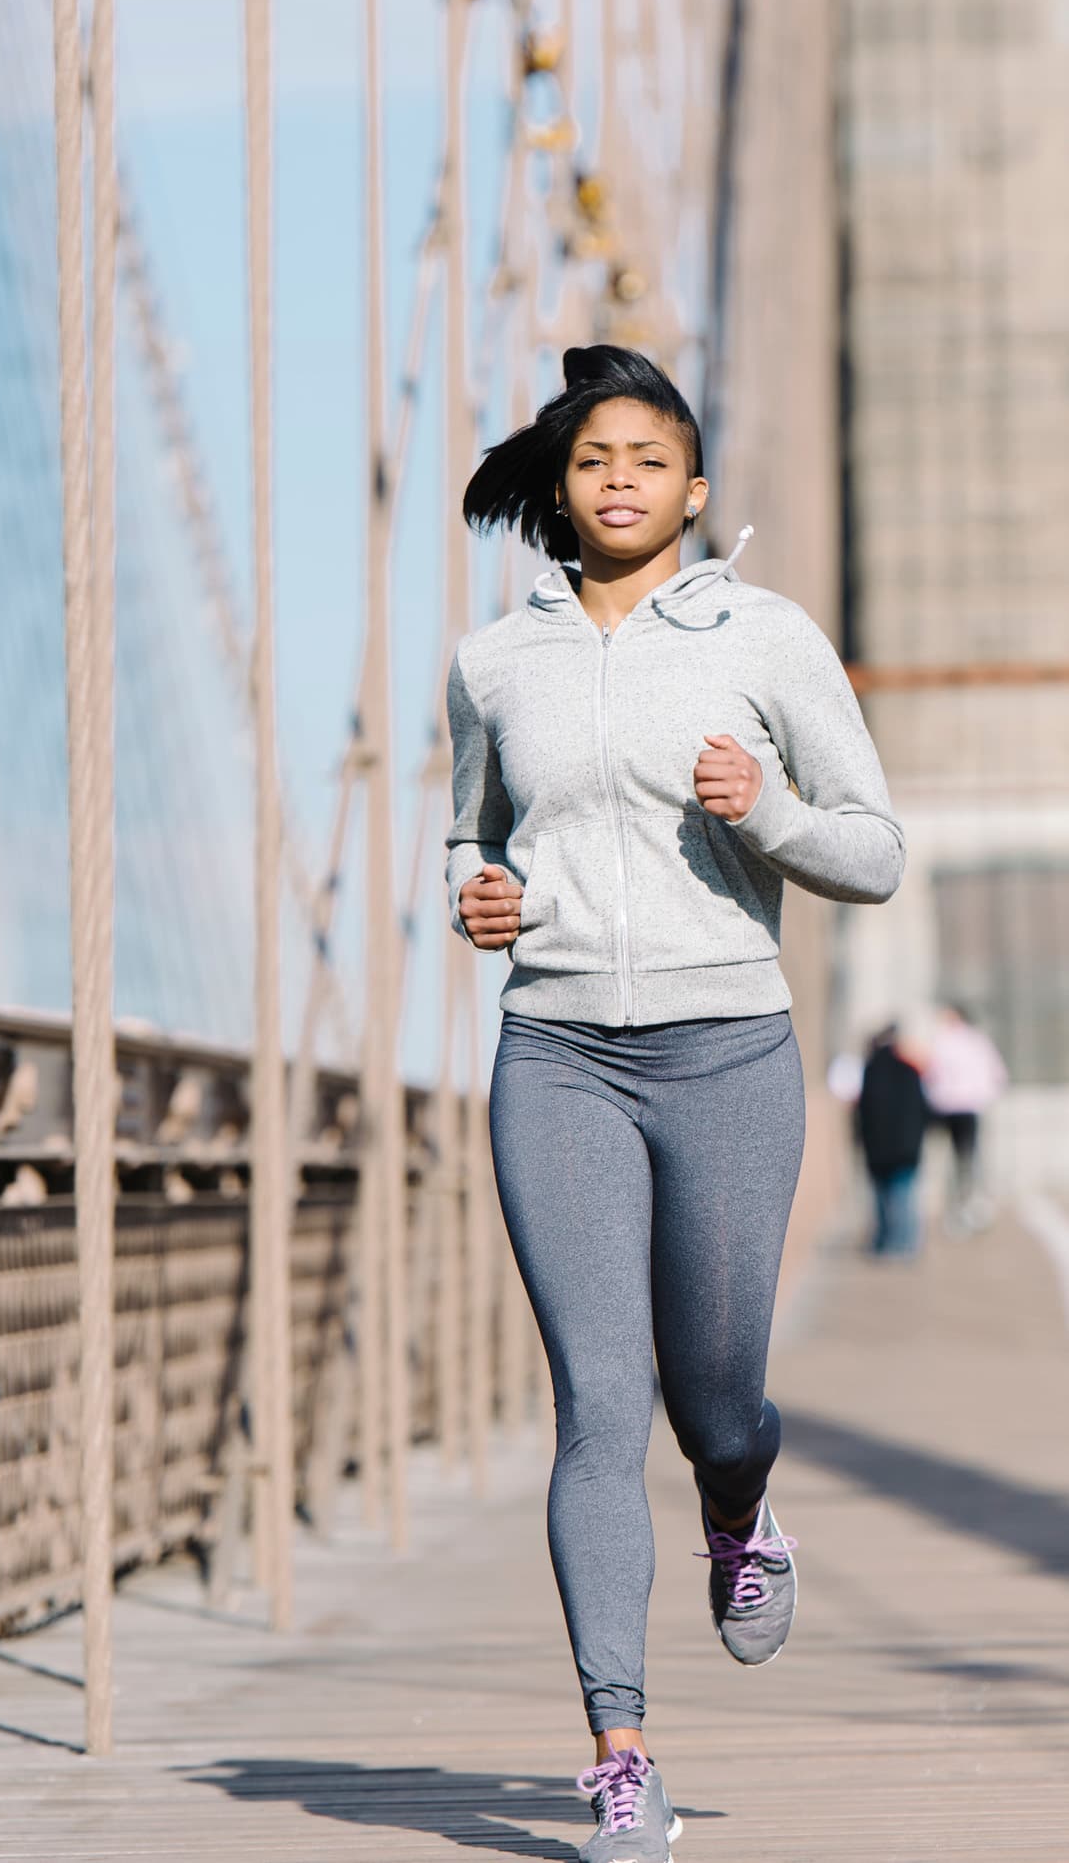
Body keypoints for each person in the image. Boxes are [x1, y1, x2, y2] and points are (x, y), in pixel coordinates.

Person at [445, 345, 904, 1862]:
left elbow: (872, 847)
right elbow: (469, 835)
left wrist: (762, 812)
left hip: (726, 1050)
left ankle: (738, 1505)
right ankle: (620, 1751)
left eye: (649, 456)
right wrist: (479, 894)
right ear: (561, 494)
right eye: (593, 460)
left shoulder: (764, 640)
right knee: (596, 1407)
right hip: (560, 1052)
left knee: (713, 1392)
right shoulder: (491, 662)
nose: (621, 476)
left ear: (694, 492)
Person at [922, 1004, 1007, 1236]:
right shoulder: (975, 1040)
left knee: (961, 1161)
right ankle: (966, 1208)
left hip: (950, 1108)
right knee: (965, 1161)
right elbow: (998, 1074)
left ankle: (963, 1209)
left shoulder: (946, 1040)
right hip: (965, 1108)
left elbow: (932, 1074)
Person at [857, 1024, 929, 1255]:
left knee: (881, 1198)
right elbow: (923, 1110)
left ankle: (883, 1241)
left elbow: (862, 1114)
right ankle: (905, 1244)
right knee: (904, 1196)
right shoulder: (909, 1071)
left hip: (877, 1149)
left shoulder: (870, 1072)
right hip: (906, 1149)